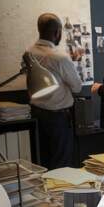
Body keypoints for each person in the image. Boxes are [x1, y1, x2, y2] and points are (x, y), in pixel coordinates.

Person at [26, 13, 83, 170]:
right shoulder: (59, 57)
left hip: (36, 115)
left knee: (42, 163)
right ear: (57, 32)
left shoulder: (29, 53)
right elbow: (77, 87)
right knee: (61, 165)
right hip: (58, 118)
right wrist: (74, 64)